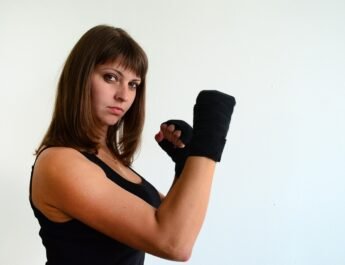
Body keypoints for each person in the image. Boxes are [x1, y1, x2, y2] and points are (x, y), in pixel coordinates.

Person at [29, 24, 236, 265]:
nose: (124, 95)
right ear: (80, 77)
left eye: (133, 84)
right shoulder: (60, 162)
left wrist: (184, 164)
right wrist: (209, 137)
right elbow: (175, 243)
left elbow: (175, 221)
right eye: (111, 77)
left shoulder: (109, 159)